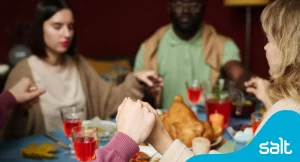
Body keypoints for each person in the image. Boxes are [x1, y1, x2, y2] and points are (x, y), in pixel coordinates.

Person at [2, 0, 162, 139]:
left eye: (70, 27)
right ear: (40, 29)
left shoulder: (79, 65)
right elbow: (8, 131)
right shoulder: (23, 71)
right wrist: (20, 110)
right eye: (57, 27)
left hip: (81, 150)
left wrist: (136, 80)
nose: (67, 34)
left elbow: (109, 101)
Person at [134, 0, 251, 108]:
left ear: (203, 8)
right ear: (169, 7)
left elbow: (241, 75)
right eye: (179, 3)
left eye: (193, 4)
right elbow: (135, 96)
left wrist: (232, 95)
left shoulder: (222, 45)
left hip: (209, 123)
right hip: (166, 123)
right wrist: (148, 93)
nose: (186, 11)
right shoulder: (148, 49)